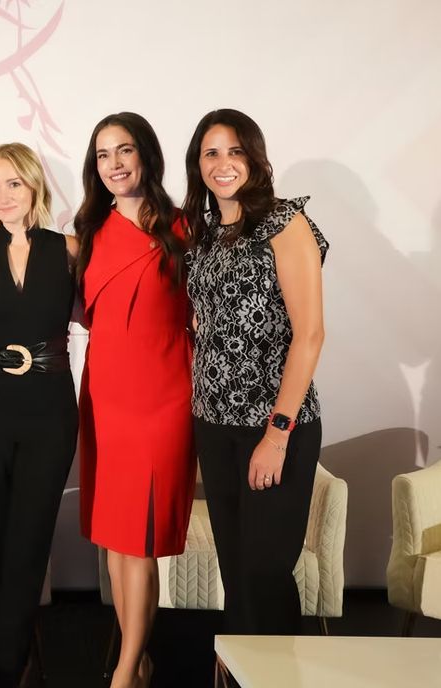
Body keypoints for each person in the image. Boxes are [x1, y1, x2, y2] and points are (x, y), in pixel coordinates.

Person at [183, 108, 328, 635]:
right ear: (197, 164)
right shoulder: (200, 237)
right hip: (214, 423)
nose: (223, 163)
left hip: (274, 423)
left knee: (266, 572)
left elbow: (310, 334)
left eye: (235, 150)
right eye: (211, 153)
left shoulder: (284, 222)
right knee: (237, 576)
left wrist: (278, 433)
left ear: (255, 157)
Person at [74, 112, 197, 688]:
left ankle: (125, 670)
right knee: (118, 540)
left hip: (164, 395)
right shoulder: (89, 230)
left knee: (141, 535)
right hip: (105, 395)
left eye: (125, 151)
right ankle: (136, 655)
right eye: (103, 154)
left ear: (146, 155)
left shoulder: (185, 228)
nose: (115, 163)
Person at [0, 142, 78, 687]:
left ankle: (6, 669)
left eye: (13, 184)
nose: (3, 196)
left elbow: (99, 317)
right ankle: (15, 658)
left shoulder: (71, 249)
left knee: (29, 541)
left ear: (34, 186)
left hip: (51, 409)